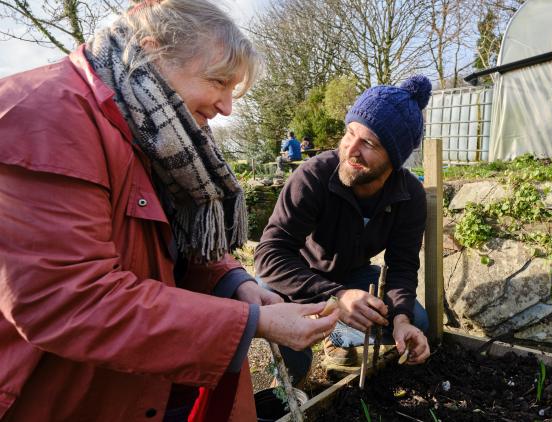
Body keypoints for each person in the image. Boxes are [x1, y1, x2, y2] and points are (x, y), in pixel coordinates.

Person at [0, 1, 339, 421]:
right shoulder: (45, 117)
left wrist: (235, 282)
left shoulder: (151, 130)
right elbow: (71, 300)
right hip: (55, 393)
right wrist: (252, 322)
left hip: (133, 382)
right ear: (152, 52)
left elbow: (167, 240)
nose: (227, 107)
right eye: (218, 82)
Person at [254, 75, 433, 383]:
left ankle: (339, 338)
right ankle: (287, 385)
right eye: (350, 134)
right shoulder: (313, 176)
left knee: (418, 319)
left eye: (369, 143)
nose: (350, 149)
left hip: (352, 276)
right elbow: (269, 256)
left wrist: (401, 319)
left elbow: (402, 267)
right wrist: (337, 297)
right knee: (293, 351)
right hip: (296, 276)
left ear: (395, 157)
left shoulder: (409, 197)